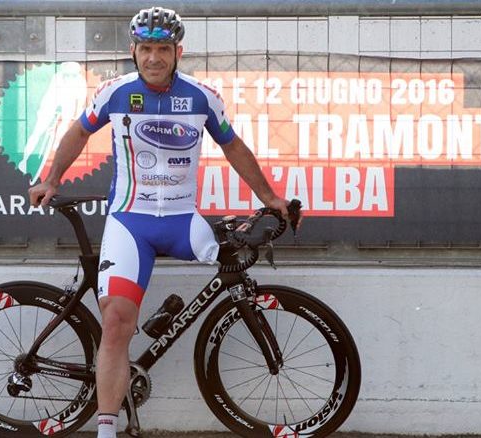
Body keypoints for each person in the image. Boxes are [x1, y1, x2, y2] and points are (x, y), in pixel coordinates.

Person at [28, 6, 288, 437]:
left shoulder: (202, 97)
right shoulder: (115, 92)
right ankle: (107, 430)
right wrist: (52, 179)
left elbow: (233, 146)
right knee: (117, 322)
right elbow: (79, 131)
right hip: (130, 224)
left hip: (182, 221)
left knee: (234, 258)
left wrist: (269, 198)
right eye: (146, 48)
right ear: (133, 50)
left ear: (177, 52)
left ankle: (167, 321)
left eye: (163, 49)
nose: (153, 58)